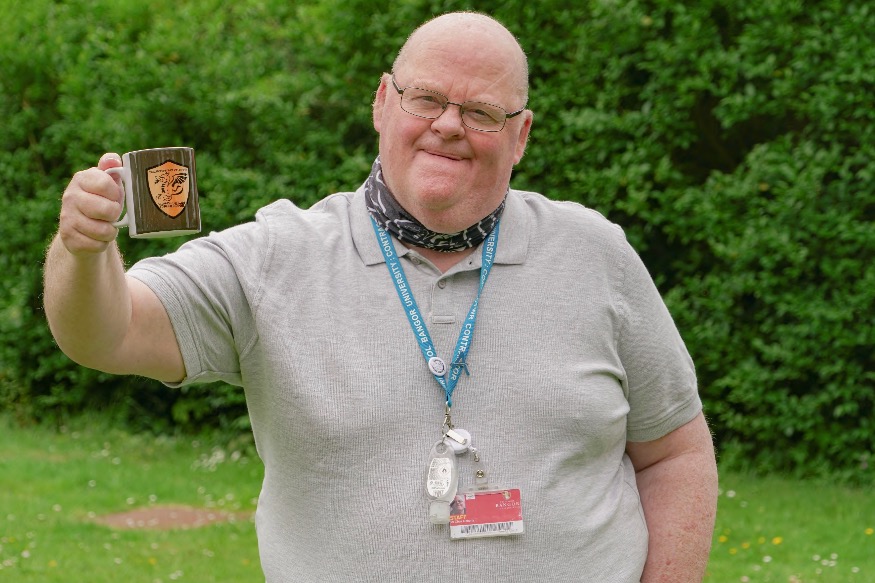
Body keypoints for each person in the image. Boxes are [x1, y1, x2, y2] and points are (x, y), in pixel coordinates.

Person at [44, 11, 718, 583]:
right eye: (425, 99)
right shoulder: (275, 257)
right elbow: (107, 333)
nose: (448, 125)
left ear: (520, 136)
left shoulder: (595, 254)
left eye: (482, 112)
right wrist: (83, 249)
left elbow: (676, 453)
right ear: (381, 103)